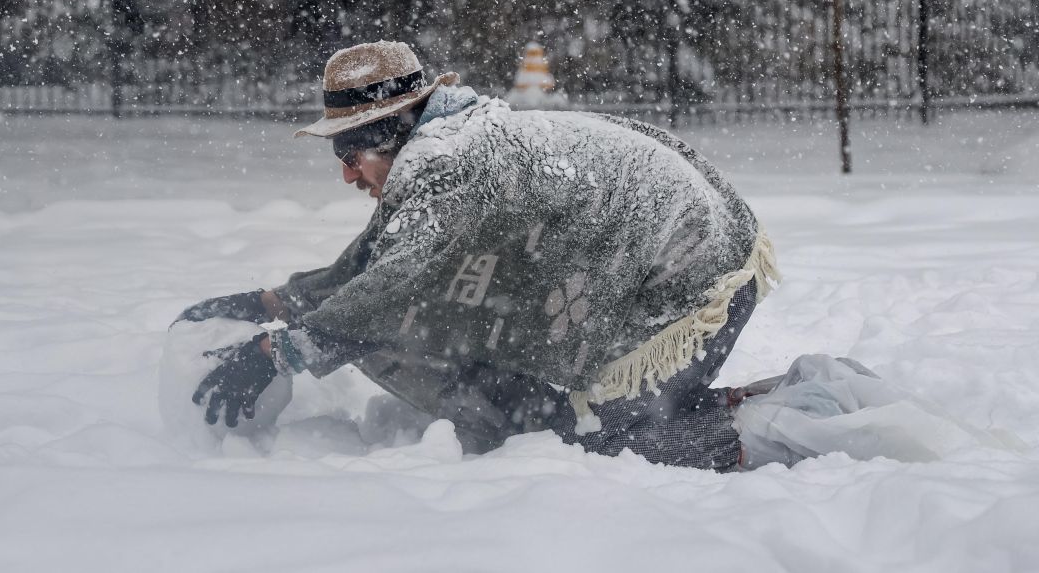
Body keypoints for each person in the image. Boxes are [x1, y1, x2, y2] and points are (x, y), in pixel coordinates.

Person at [179, 40, 780, 470]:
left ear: (387, 135)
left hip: (696, 276)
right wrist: (273, 301)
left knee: (602, 442)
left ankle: (796, 427)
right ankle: (708, 408)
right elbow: (378, 261)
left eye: (348, 154)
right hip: (682, 248)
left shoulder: (445, 163)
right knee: (554, 403)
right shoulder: (446, 147)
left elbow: (395, 291)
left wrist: (278, 351)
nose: (345, 175)